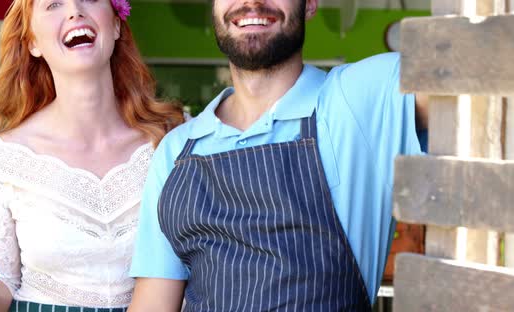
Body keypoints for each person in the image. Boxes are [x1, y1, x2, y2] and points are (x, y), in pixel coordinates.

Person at [128, 0, 428, 311]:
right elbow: (153, 302)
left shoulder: (359, 100)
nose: (251, 2)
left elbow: (463, 75)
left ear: (309, 4)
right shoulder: (176, 151)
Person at [0, 0, 184, 311]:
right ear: (32, 42)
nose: (74, 11)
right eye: (53, 4)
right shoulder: (3, 157)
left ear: (116, 25)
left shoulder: (176, 141)